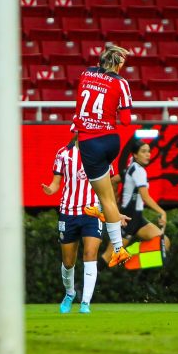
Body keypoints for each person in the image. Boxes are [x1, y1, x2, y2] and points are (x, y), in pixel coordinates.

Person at [71, 44, 132, 267]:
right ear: (118, 63)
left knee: (106, 198)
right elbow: (125, 120)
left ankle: (118, 249)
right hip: (110, 140)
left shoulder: (86, 73)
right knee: (106, 189)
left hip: (90, 140)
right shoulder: (121, 83)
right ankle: (98, 206)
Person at [41, 135, 109, 314]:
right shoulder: (63, 154)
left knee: (90, 254)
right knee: (68, 262)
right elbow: (56, 184)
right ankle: (69, 294)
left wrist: (114, 211)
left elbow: (107, 188)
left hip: (91, 212)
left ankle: (85, 302)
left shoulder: (101, 154)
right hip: (68, 213)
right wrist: (50, 190)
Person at [101, 139, 171, 269]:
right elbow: (145, 196)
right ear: (135, 155)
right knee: (108, 257)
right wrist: (162, 212)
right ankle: (81, 285)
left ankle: (128, 257)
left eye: (149, 151)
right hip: (127, 219)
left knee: (164, 242)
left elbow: (113, 181)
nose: (148, 154)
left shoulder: (131, 168)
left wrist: (115, 200)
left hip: (137, 219)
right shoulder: (138, 170)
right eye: (143, 152)